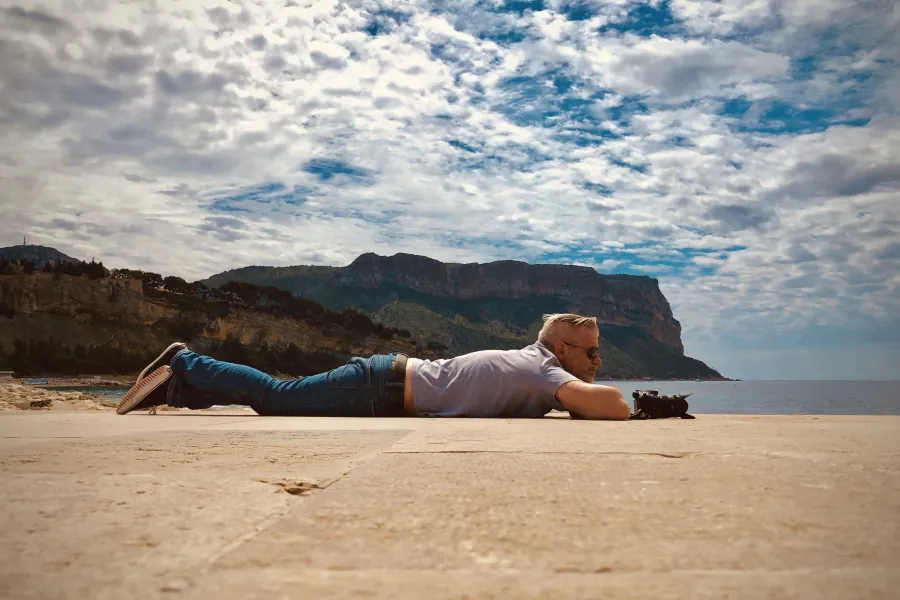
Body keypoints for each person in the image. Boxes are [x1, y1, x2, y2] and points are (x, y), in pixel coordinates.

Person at [116, 313, 631, 420]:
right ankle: (185, 359)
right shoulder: (545, 369)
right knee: (275, 397)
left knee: (281, 398)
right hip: (379, 384)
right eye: (591, 353)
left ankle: (176, 390)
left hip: (384, 385)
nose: (598, 360)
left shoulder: (541, 366)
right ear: (562, 349)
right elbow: (610, 406)